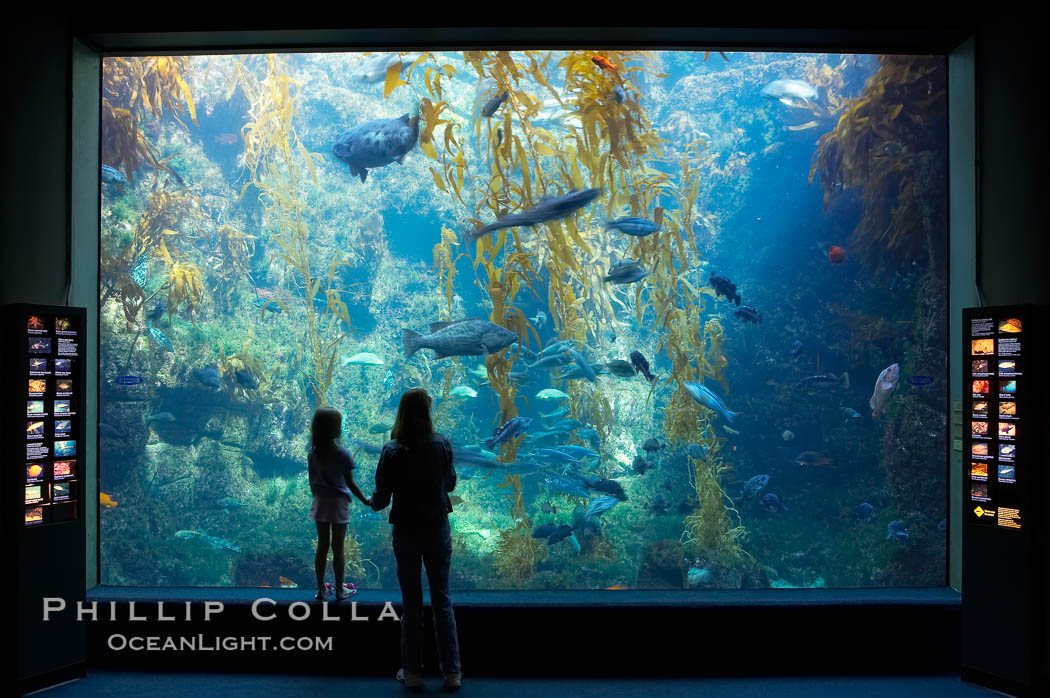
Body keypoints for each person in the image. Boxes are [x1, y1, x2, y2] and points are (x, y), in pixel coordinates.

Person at [370, 388, 462, 691]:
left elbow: (382, 499)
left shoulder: (392, 449)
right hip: (437, 529)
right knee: (442, 601)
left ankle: (411, 673)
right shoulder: (442, 444)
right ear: (427, 412)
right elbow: (449, 483)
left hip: (407, 532)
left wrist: (372, 500)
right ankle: (452, 673)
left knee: (411, 604)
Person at [308, 406, 371, 601]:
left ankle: (320, 589)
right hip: (338, 506)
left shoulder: (313, 453)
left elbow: (312, 481)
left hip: (320, 503)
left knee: (322, 547)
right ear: (334, 429)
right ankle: (339, 590)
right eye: (339, 424)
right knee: (338, 548)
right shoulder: (343, 454)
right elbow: (351, 483)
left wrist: (318, 498)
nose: (340, 428)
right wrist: (366, 500)